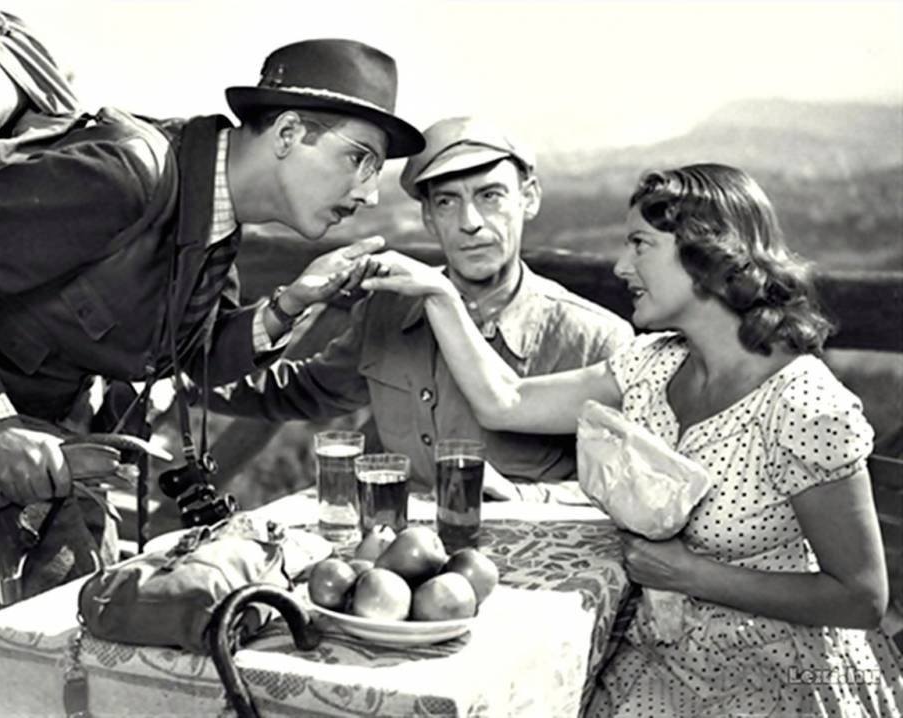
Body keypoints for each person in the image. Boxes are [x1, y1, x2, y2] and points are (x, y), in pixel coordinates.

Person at [360, 164, 903, 715]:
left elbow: (861, 597)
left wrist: (690, 574)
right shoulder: (651, 362)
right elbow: (505, 401)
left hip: (777, 677)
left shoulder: (805, 405)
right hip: (658, 658)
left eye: (640, 244)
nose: (622, 266)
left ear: (708, 256)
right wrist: (439, 294)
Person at [0, 38, 424, 597]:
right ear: (289, 133)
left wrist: (292, 302)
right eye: (360, 158)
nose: (370, 193)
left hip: (43, 448)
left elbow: (192, 357)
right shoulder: (127, 171)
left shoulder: (215, 220)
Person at [210, 116, 633, 496]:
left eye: (490, 196)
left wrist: (528, 498)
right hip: (388, 550)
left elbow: (624, 488)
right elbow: (301, 392)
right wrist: (183, 380)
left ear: (529, 198)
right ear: (428, 217)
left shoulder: (595, 339)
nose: (470, 222)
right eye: (447, 202)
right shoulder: (390, 309)